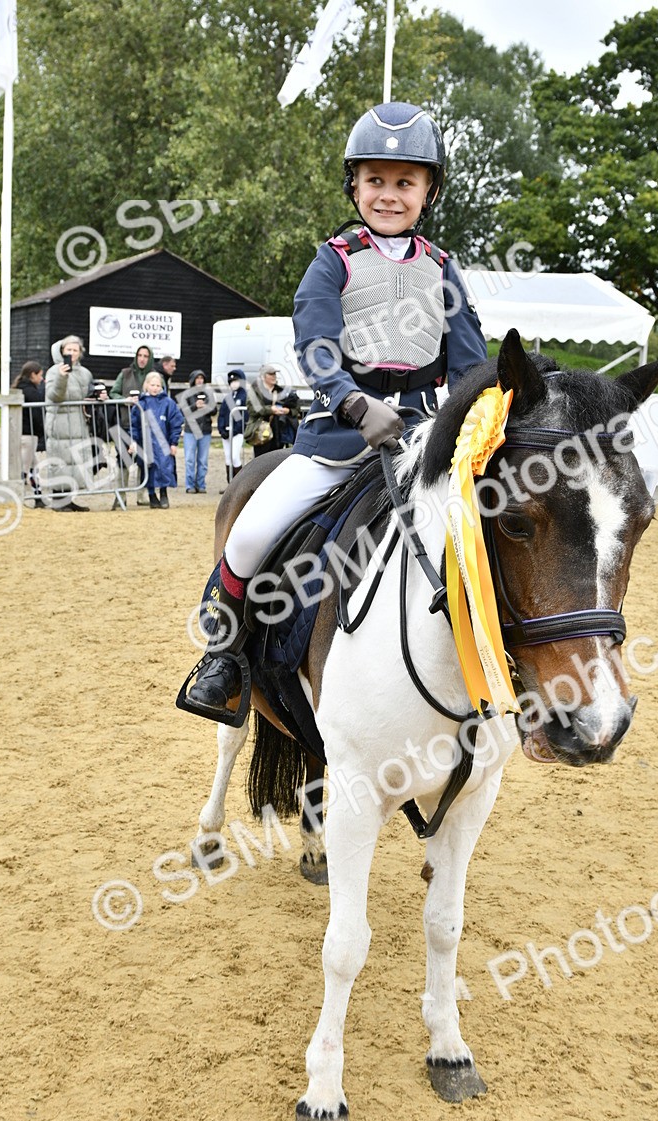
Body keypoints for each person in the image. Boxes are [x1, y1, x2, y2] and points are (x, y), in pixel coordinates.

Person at [181, 102, 488, 718]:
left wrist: (471, 418)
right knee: (249, 535)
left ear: (428, 192)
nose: (389, 195)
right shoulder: (334, 260)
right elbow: (315, 344)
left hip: (424, 443)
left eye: (405, 182)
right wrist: (351, 401)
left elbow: (471, 360)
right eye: (376, 180)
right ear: (355, 186)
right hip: (337, 441)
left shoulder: (443, 268)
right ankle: (225, 658)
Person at [44, 335, 95, 511]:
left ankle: (69, 500)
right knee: (60, 460)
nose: (72, 353)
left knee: (75, 461)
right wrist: (62, 377)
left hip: (78, 422)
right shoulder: (53, 371)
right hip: (59, 421)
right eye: (69, 350)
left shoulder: (85, 373)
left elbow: (87, 395)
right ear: (62, 351)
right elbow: (54, 396)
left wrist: (98, 396)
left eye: (75, 350)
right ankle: (58, 501)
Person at [110, 345, 156, 506]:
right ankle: (120, 496)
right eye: (139, 355)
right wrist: (125, 399)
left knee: (145, 461)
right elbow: (113, 393)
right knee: (123, 459)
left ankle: (141, 495)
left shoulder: (154, 377)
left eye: (145, 355)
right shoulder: (125, 374)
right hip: (125, 423)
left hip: (146, 426)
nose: (142, 358)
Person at [129, 370, 183, 508]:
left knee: (165, 468)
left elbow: (175, 422)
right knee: (148, 468)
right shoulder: (140, 404)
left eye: (158, 385)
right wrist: (134, 441)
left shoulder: (168, 403)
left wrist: (173, 442)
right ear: (146, 385)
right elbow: (134, 424)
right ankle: (152, 495)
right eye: (152, 385)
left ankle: (164, 494)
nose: (155, 388)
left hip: (163, 443)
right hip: (146, 443)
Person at [245, 364, 301, 457]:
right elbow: (252, 410)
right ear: (263, 376)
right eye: (271, 374)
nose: (274, 376)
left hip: (279, 432)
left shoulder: (281, 391)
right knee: (260, 462)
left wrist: (288, 411)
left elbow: (296, 408)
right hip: (260, 432)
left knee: (276, 462)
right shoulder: (254, 391)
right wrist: (270, 410)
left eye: (274, 374)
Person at [13, 360, 46, 508]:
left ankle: (38, 497)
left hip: (21, 432)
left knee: (32, 466)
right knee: (25, 469)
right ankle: (16, 498)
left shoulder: (19, 388)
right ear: (33, 375)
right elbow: (37, 414)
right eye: (40, 375)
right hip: (29, 433)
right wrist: (42, 430)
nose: (41, 379)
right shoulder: (31, 392)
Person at [180, 369, 216, 493]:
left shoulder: (209, 394)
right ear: (193, 380)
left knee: (203, 460)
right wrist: (195, 405)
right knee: (190, 459)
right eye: (197, 378)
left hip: (205, 430)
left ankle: (201, 484)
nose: (200, 380)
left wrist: (206, 407)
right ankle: (189, 485)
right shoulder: (187, 394)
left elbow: (214, 410)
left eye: (202, 378)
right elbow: (183, 411)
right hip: (191, 430)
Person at [217, 369, 249, 488]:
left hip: (236, 432)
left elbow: (243, 417)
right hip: (226, 432)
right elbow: (222, 414)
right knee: (228, 458)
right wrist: (222, 430)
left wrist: (235, 430)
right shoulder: (228, 397)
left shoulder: (244, 396)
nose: (233, 384)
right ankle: (230, 484)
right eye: (231, 381)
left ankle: (238, 484)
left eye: (236, 381)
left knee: (235, 457)